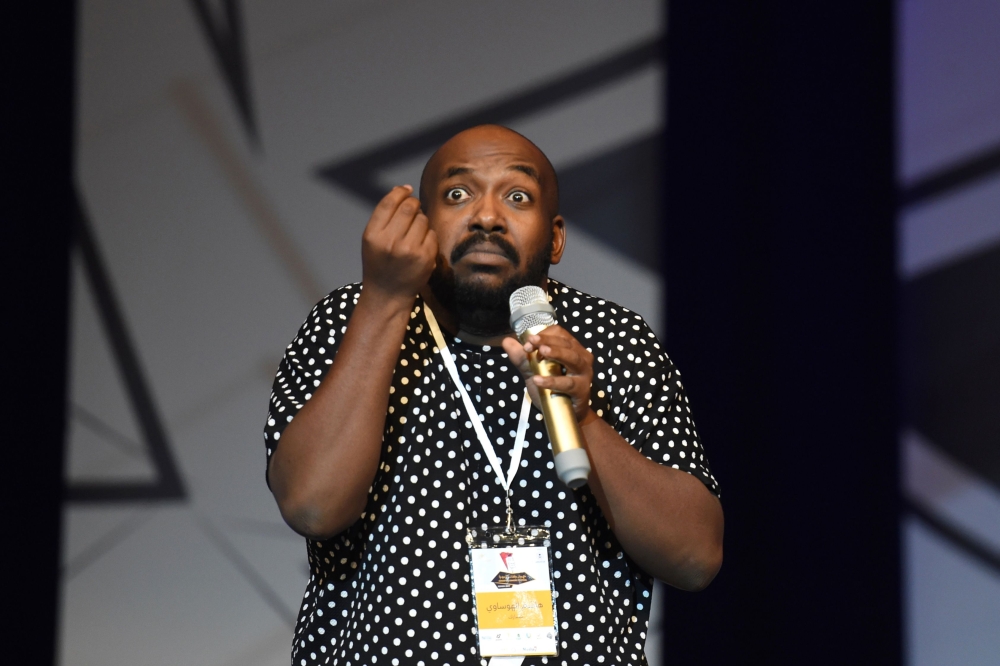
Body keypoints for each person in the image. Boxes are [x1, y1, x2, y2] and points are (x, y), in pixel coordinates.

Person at [264, 125, 723, 666]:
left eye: (517, 196)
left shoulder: (612, 339)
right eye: (458, 195)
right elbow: (313, 506)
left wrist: (586, 420)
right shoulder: (350, 319)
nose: (486, 217)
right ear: (421, 226)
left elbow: (695, 558)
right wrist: (385, 299)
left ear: (554, 237)